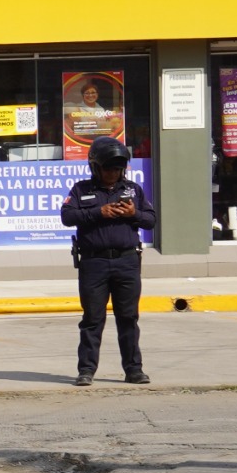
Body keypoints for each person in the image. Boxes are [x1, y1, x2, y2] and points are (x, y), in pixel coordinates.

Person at [59, 136, 155, 388]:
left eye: (117, 168)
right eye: (108, 168)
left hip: (127, 262)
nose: (113, 173)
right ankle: (86, 370)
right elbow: (67, 217)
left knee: (128, 318)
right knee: (92, 319)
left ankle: (134, 370)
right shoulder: (81, 190)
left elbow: (150, 220)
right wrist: (98, 212)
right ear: (95, 167)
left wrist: (133, 213)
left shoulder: (133, 190)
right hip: (94, 263)